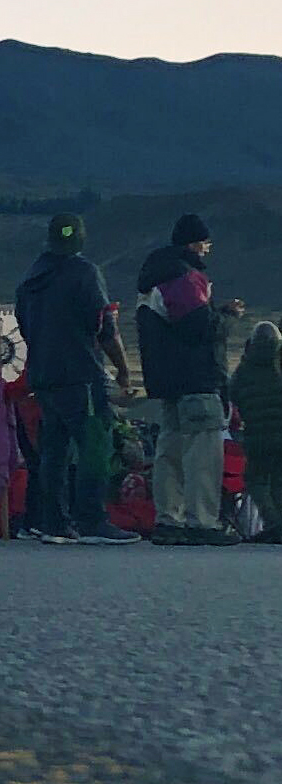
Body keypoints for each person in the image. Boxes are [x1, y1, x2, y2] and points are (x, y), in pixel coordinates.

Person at [14, 214, 140, 544]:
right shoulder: (84, 274)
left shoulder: (30, 279)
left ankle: (52, 521)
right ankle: (92, 521)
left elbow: (25, 329)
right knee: (94, 445)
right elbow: (106, 328)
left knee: (54, 451)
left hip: (43, 377)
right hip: (81, 375)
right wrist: (123, 370)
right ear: (81, 239)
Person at [137, 213, 242, 545]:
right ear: (195, 244)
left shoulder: (156, 276)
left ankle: (170, 518)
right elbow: (199, 330)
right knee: (203, 452)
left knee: (169, 449)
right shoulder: (184, 277)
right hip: (196, 380)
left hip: (168, 382)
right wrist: (226, 316)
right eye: (206, 244)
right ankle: (203, 520)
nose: (208, 251)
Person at [231, 322, 282, 544]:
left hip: (256, 438)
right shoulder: (278, 366)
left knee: (256, 480)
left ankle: (272, 522)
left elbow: (233, 397)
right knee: (279, 481)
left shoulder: (244, 369)